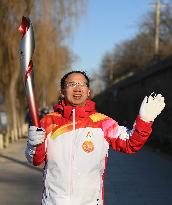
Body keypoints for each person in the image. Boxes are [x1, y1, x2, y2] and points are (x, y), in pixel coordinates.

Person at [25, 71, 165, 205]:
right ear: (62, 92)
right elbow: (35, 160)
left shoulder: (103, 123)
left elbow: (130, 144)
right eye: (71, 84)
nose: (78, 88)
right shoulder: (47, 122)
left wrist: (145, 121)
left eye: (82, 84)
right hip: (53, 202)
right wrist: (33, 145)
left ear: (88, 92)